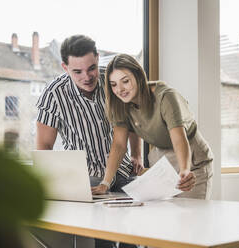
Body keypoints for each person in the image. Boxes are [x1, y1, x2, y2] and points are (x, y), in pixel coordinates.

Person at [35, 35, 140, 248]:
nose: (87, 77)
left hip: (123, 170)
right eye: (77, 71)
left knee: (135, 232)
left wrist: (137, 153)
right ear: (65, 67)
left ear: (98, 58)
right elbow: (44, 146)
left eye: (91, 68)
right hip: (88, 179)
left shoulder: (112, 81)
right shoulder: (54, 95)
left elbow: (132, 118)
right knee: (104, 239)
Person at [92, 54, 214, 200]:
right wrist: (105, 183)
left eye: (125, 81)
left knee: (190, 216)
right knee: (162, 217)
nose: (120, 89)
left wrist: (185, 171)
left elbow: (179, 139)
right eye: (113, 84)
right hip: (162, 163)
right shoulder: (121, 104)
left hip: (191, 159)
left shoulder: (166, 97)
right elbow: (118, 145)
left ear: (138, 76)